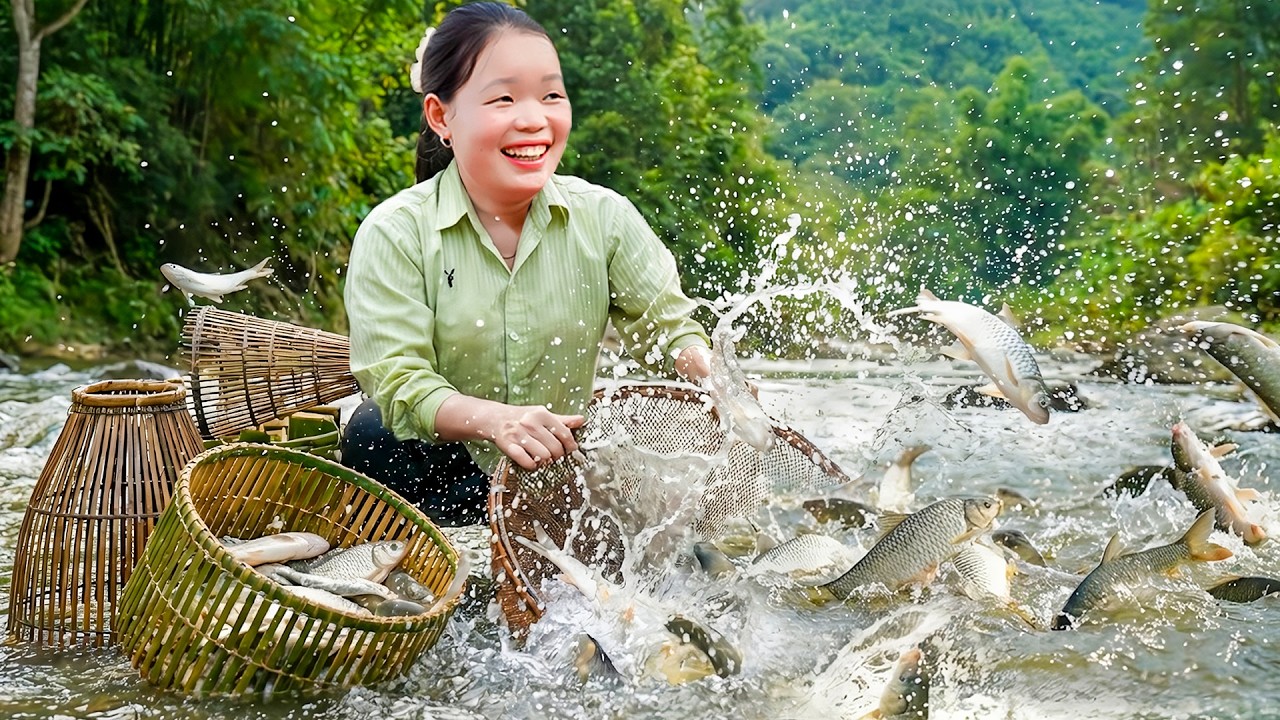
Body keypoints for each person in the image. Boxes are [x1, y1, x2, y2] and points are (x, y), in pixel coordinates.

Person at [341, 2, 713, 526]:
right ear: (441, 116)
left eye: (551, 96)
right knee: (372, 429)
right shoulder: (396, 232)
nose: (535, 120)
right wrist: (497, 421)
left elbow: (668, 331)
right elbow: (400, 384)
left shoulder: (604, 218)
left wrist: (712, 374)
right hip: (436, 469)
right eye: (503, 99)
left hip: (555, 471)